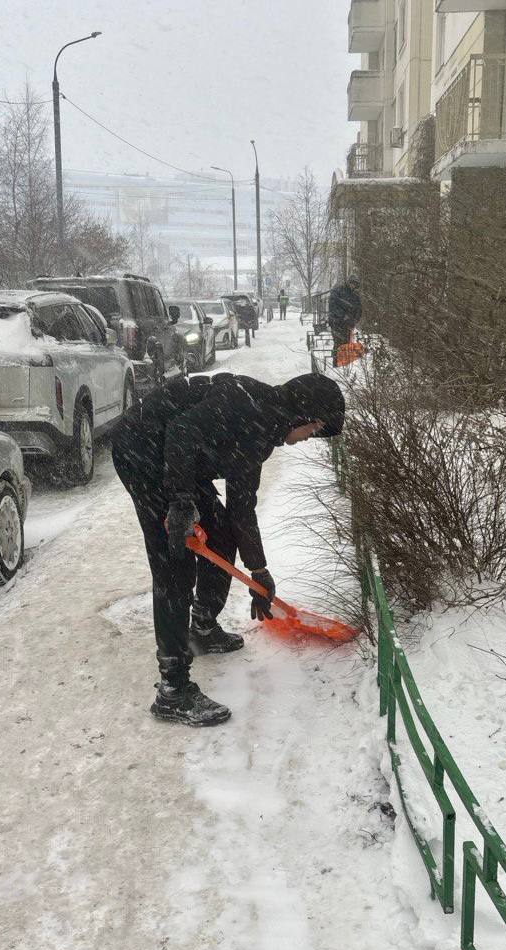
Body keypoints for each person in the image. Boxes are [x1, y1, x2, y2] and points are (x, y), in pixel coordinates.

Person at [111, 371, 346, 728]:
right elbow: (181, 431)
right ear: (300, 416)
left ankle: (203, 626)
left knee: (221, 531)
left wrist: (259, 571)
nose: (307, 437)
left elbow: (242, 509)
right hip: (142, 449)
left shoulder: (260, 432)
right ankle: (173, 691)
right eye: (312, 429)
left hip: (177, 460)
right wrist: (180, 503)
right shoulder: (244, 404)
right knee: (174, 562)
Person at [328, 274, 362, 364]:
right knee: (338, 343)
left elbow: (358, 309)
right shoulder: (338, 291)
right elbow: (333, 306)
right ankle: (336, 363)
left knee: (346, 343)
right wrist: (343, 317)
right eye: (352, 283)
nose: (353, 286)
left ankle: (343, 364)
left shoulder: (355, 294)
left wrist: (354, 320)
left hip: (348, 324)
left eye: (355, 284)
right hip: (336, 323)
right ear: (348, 282)